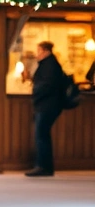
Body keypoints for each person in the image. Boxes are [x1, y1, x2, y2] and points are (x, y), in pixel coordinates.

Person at [24, 40, 67, 177]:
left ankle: (43, 166)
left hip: (47, 105)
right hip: (46, 104)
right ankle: (43, 165)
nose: (38, 54)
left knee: (41, 135)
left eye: (39, 51)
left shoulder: (50, 65)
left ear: (46, 51)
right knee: (42, 135)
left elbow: (46, 85)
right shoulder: (49, 64)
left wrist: (35, 90)